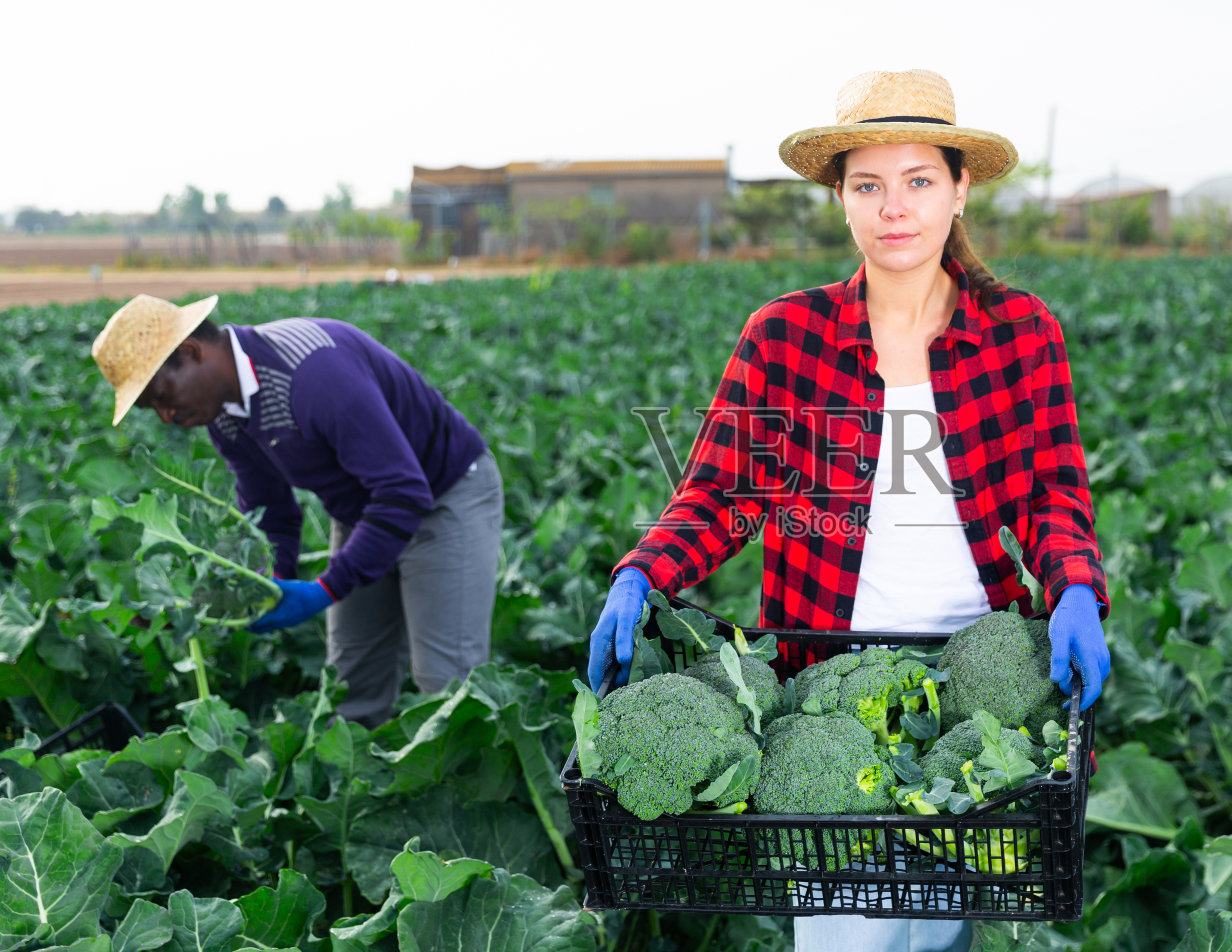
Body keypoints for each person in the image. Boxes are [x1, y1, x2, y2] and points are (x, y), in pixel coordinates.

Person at [585, 69, 1110, 952]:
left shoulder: (1022, 329)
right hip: (821, 683)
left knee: (943, 932)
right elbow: (720, 493)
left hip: (970, 701)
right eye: (868, 185)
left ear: (959, 189)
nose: (893, 208)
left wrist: (1075, 590)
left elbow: (1051, 493)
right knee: (845, 936)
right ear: (840, 198)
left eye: (918, 182)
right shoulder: (784, 334)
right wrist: (642, 575)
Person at [92, 294, 504, 727]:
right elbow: (270, 510)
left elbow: (404, 492)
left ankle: (473, 792)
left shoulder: (313, 375)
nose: (165, 415)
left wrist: (324, 590)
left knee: (447, 683)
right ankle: (365, 790)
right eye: (150, 409)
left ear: (192, 352)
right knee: (350, 684)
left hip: (445, 495)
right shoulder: (224, 416)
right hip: (365, 510)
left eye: (162, 395)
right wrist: (268, 582)